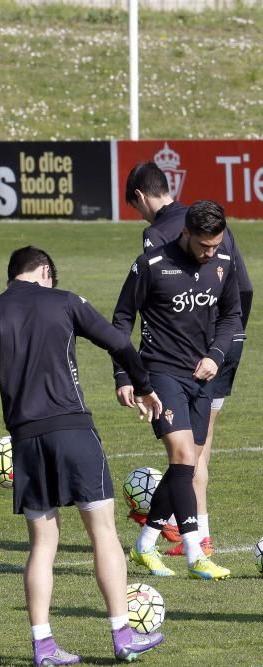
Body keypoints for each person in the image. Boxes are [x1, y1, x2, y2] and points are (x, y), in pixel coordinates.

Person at [0, 246, 165, 665]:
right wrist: (143, 384)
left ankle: (43, 645)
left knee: (42, 543)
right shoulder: (64, 300)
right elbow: (119, 343)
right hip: (73, 430)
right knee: (103, 532)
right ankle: (123, 635)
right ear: (42, 271)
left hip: (26, 441)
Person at [124, 162, 253, 555]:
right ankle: (185, 534)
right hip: (224, 346)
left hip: (186, 354)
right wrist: (225, 344)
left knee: (187, 453)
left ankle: (192, 537)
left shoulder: (158, 235)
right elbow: (243, 290)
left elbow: (154, 305)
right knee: (195, 450)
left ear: (141, 198)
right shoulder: (217, 224)